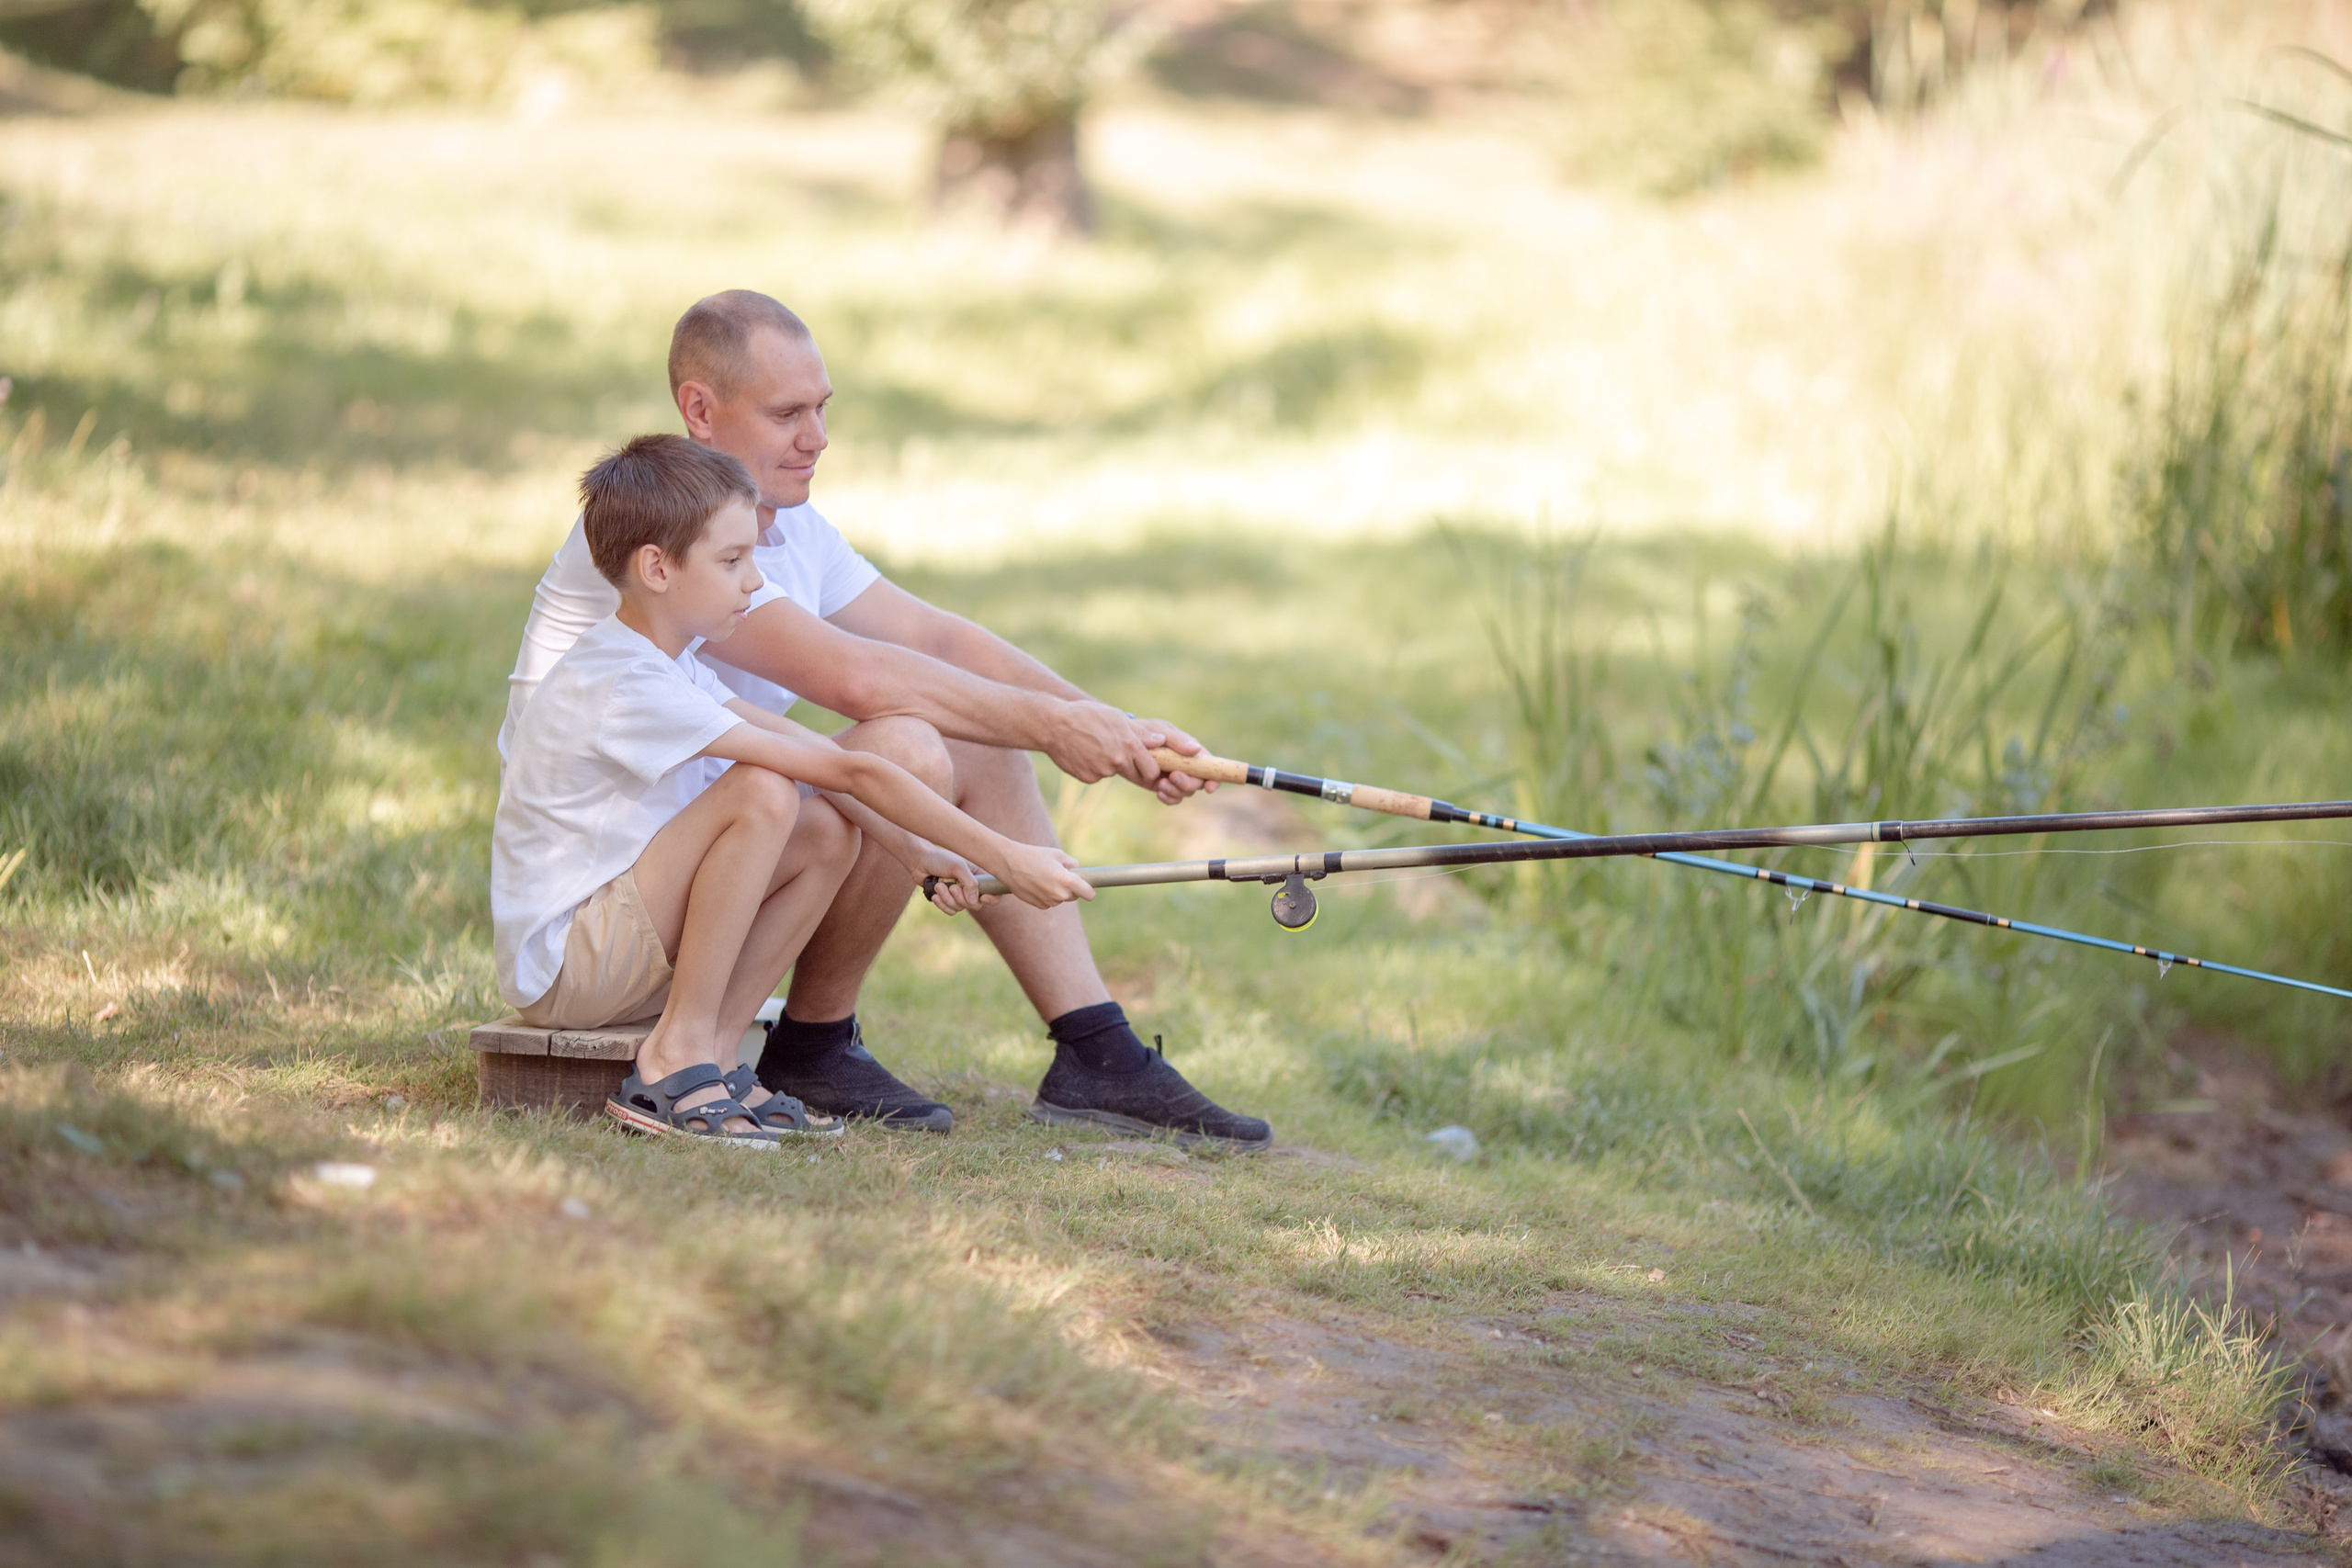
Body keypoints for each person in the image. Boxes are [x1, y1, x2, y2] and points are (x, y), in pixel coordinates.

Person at [500, 290, 1272, 1151]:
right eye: (788, 413)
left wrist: (1114, 729)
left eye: (822, 409)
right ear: (701, 411)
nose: (818, 437)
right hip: (628, 885)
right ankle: (798, 1042)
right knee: (893, 748)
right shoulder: (664, 555)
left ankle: (1097, 1048)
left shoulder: (767, 536)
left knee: (956, 744)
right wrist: (1013, 826)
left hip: (712, 871)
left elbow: (937, 640)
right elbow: (860, 681)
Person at [493, 434, 1095, 1145]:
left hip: (628, 943)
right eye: (731, 561)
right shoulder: (623, 679)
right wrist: (1006, 855)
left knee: (825, 828)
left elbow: (820, 756)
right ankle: (674, 1056)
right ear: (656, 567)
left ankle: (718, 1056)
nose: (754, 581)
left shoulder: (671, 663)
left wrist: (916, 850)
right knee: (764, 791)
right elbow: (848, 770)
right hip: (568, 968)